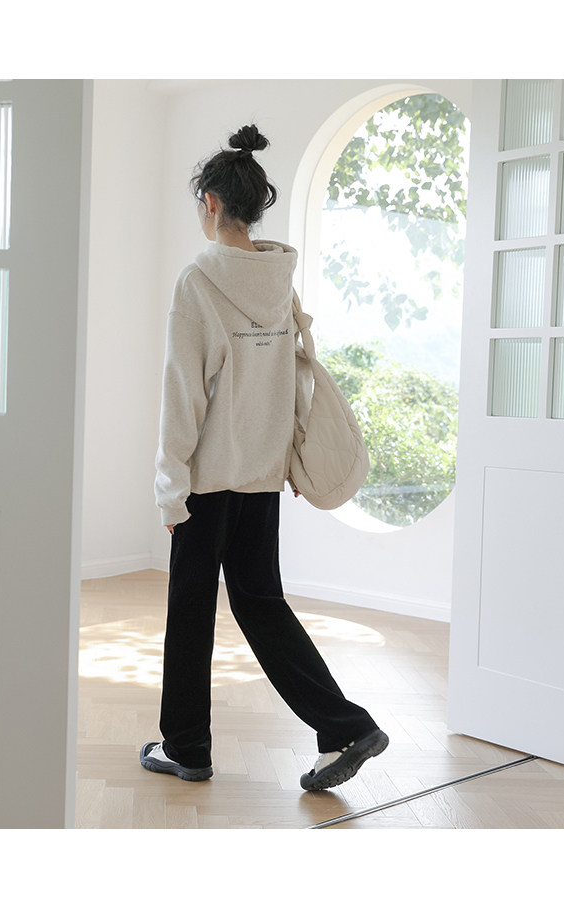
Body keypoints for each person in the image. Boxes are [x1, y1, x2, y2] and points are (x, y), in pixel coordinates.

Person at [141, 124, 388, 791]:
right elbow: (286, 381)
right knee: (261, 604)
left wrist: (170, 489)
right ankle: (344, 726)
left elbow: (183, 396)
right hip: (260, 479)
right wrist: (282, 462)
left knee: (190, 613)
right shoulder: (280, 281)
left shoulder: (199, 280)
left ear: (212, 203)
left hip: (206, 482)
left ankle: (187, 748)